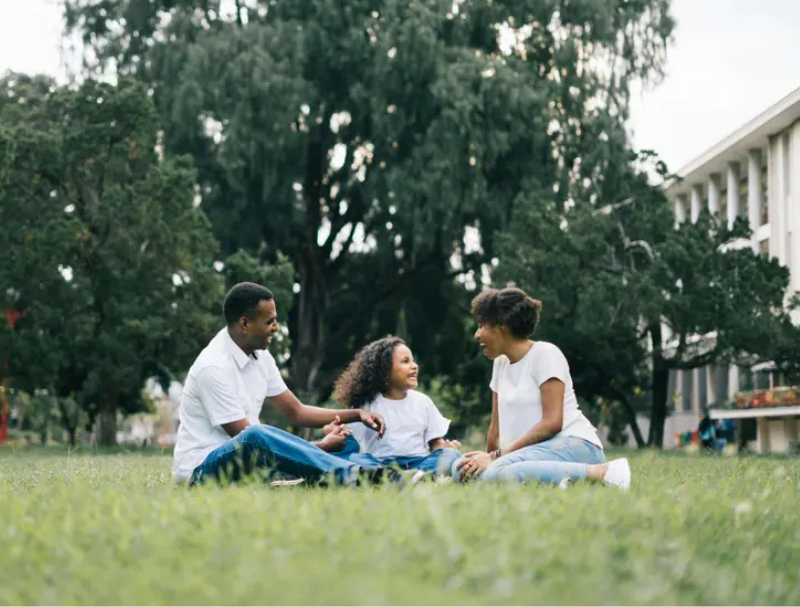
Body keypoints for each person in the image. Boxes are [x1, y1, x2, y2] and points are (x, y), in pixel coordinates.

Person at [172, 282, 397, 487]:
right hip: (202, 472)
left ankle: (388, 473)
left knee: (346, 444)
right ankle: (352, 475)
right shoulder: (213, 367)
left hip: (251, 464)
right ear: (244, 324)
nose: (276, 327)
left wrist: (357, 414)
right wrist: (322, 446)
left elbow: (296, 412)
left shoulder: (261, 356)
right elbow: (252, 443)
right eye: (269, 321)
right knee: (255, 434)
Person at [452, 287, 631, 490]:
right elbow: (496, 429)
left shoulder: (545, 354)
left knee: (497, 472)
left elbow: (552, 423)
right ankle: (555, 480)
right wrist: (485, 459)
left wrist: (495, 458)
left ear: (501, 325)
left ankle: (603, 472)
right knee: (460, 470)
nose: (477, 334)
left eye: (481, 325)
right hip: (527, 454)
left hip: (574, 445)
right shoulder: (500, 364)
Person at [326, 336, 463, 479]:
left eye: (413, 360)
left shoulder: (423, 401)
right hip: (381, 465)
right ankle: (405, 478)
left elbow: (435, 443)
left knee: (451, 455)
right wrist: (334, 431)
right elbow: (348, 441)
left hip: (418, 462)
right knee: (357, 459)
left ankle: (413, 477)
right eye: (405, 361)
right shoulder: (367, 406)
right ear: (384, 372)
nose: (414, 366)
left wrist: (443, 450)